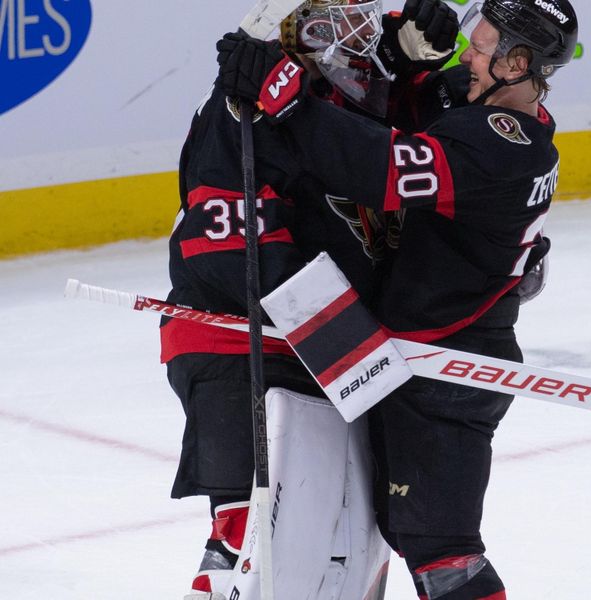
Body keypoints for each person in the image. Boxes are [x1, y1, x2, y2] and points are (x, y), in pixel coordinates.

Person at [215, 0, 578, 597]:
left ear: (518, 64)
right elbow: (418, 102)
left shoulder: (502, 141)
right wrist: (400, 51)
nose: (470, 56)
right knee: (404, 530)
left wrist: (282, 94)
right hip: (422, 359)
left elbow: (380, 165)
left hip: (452, 368)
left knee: (445, 554)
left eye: (484, 48)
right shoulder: (497, 109)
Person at [161, 0, 459, 597]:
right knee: (252, 542)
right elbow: (225, 254)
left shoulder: (339, 93)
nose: (357, 37)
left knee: (351, 558)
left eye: (361, 22)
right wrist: (352, 342)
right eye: (329, 24)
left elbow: (404, 153)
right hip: (242, 347)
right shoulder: (240, 107)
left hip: (330, 357)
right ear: (288, 36)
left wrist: (417, 63)